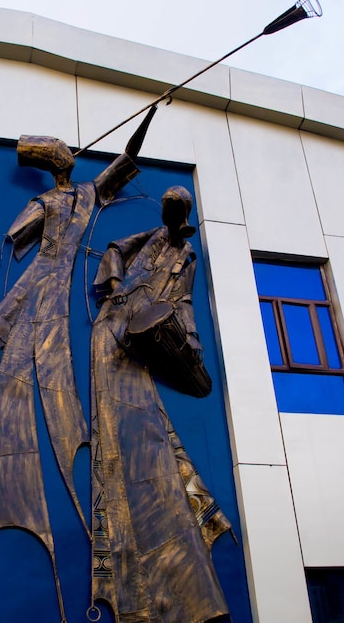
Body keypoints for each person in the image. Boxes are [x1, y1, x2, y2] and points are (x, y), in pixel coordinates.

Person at [0, 109, 157, 622]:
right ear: (58, 162)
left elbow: (125, 160)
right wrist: (33, 217)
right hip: (40, 283)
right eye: (60, 153)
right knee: (17, 362)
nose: (66, 157)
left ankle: (81, 548)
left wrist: (150, 114)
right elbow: (17, 236)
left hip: (57, 287)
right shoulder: (51, 201)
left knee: (49, 372)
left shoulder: (85, 193)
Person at [89, 185, 231, 623]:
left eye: (175, 210)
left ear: (182, 215)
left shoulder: (187, 255)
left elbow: (183, 301)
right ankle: (132, 582)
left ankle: (180, 585)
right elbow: (115, 248)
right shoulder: (148, 237)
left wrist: (191, 339)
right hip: (114, 329)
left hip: (145, 340)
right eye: (166, 208)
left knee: (151, 440)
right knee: (119, 436)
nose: (168, 216)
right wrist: (116, 287)